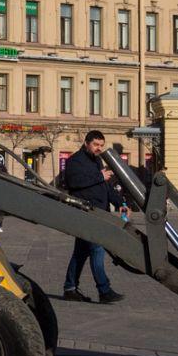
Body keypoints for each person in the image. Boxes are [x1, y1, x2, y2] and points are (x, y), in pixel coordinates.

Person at [61, 129, 126, 304]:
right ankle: (104, 291)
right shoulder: (74, 161)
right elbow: (73, 183)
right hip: (85, 213)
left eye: (101, 145)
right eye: (96, 145)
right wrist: (99, 176)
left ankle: (70, 288)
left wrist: (120, 203)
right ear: (86, 143)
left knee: (81, 253)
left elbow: (105, 187)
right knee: (97, 249)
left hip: (99, 212)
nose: (99, 148)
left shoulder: (97, 161)